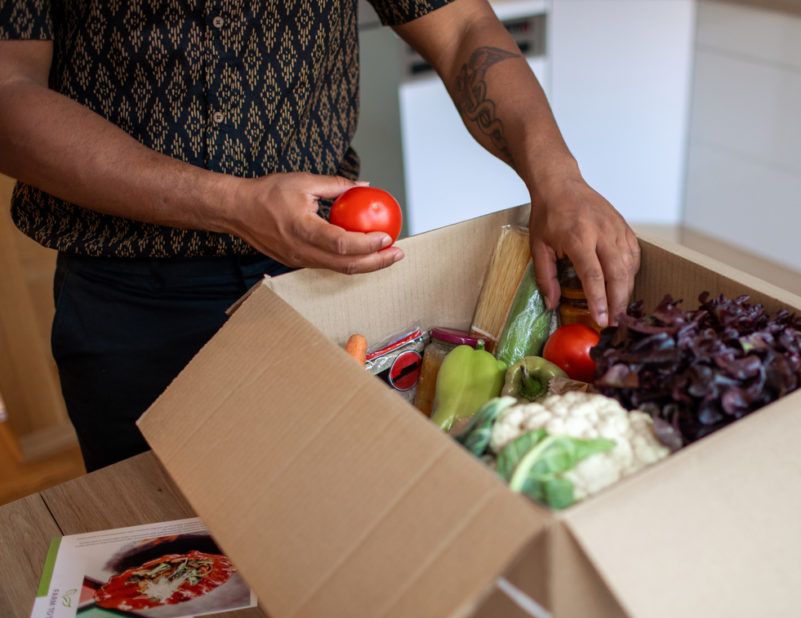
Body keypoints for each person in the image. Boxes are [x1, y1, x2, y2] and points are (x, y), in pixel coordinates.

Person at [0, 0, 641, 471]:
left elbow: (464, 26)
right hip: (132, 302)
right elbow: (8, 91)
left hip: (332, 281)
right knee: (165, 548)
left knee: (352, 505)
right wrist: (232, 203)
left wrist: (558, 178)